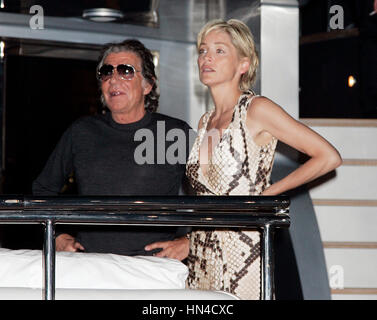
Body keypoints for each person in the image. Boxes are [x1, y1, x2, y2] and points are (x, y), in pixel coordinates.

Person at [185, 19, 342, 299]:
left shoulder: (256, 109)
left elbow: (328, 156)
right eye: (203, 50)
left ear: (243, 65)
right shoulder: (205, 121)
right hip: (201, 257)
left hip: (244, 253)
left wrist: (268, 194)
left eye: (219, 51)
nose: (206, 57)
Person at [32, 39, 192, 261]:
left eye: (125, 71)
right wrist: (56, 235)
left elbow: (218, 194)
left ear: (148, 85)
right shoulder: (82, 132)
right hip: (91, 265)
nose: (114, 79)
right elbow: (42, 190)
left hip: (155, 267)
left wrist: (190, 242)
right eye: (106, 72)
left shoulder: (174, 132)